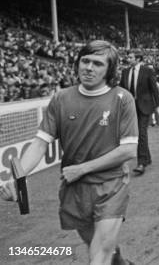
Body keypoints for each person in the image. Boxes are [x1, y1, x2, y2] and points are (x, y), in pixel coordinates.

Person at [0, 40, 137, 265]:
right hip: (74, 189)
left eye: (97, 63)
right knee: (100, 246)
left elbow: (129, 150)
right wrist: (18, 178)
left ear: (109, 70)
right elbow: (40, 144)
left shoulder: (122, 98)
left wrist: (83, 168)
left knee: (99, 253)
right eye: (85, 61)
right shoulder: (61, 98)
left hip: (111, 186)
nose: (89, 67)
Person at [120, 52, 159, 175]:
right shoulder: (125, 72)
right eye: (128, 57)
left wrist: (158, 105)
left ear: (138, 59)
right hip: (131, 108)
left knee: (141, 133)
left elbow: (154, 88)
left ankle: (141, 163)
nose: (128, 59)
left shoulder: (147, 71)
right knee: (138, 133)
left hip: (145, 106)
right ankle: (146, 158)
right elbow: (122, 90)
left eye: (131, 57)